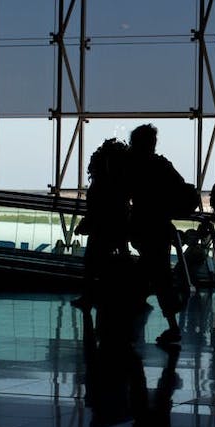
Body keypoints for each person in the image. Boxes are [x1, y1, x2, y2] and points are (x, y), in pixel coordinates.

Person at [127, 123, 186, 347]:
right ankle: (171, 320)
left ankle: (167, 322)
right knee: (156, 273)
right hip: (160, 225)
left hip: (142, 224)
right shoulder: (162, 165)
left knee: (151, 273)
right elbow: (180, 187)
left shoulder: (132, 166)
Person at [72, 138, 130, 311]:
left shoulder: (100, 184)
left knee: (91, 262)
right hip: (117, 227)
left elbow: (95, 210)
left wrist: (85, 224)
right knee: (120, 257)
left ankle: (89, 296)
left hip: (101, 229)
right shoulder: (119, 183)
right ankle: (119, 295)